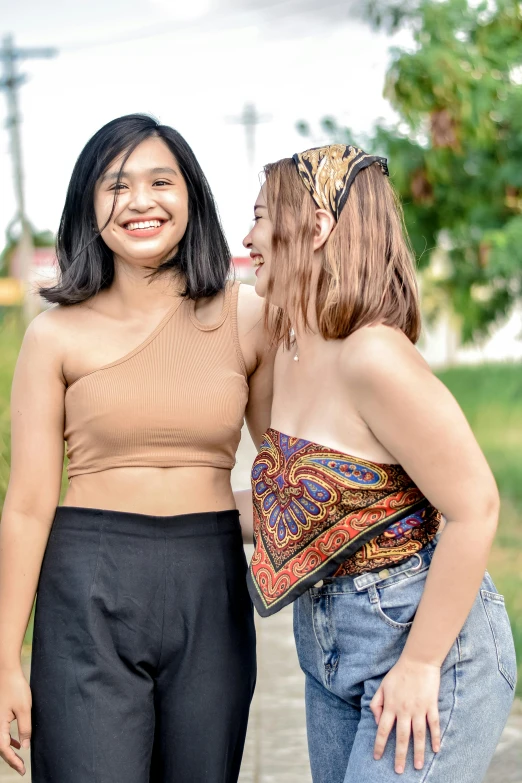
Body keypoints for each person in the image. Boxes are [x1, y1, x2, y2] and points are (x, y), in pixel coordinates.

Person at [0, 114, 274, 783]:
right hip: (87, 586)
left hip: (209, 581)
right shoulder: (54, 335)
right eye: (117, 186)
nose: (142, 201)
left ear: (192, 197)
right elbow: (28, 504)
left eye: (161, 181)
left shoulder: (247, 316)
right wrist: (5, 654)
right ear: (89, 206)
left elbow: (281, 474)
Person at [242, 144, 516, 783]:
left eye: (261, 217)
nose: (248, 236)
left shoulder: (374, 357)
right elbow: (291, 504)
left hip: (428, 644)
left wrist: (421, 664)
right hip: (328, 647)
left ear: (317, 228)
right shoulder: (288, 350)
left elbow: (476, 507)